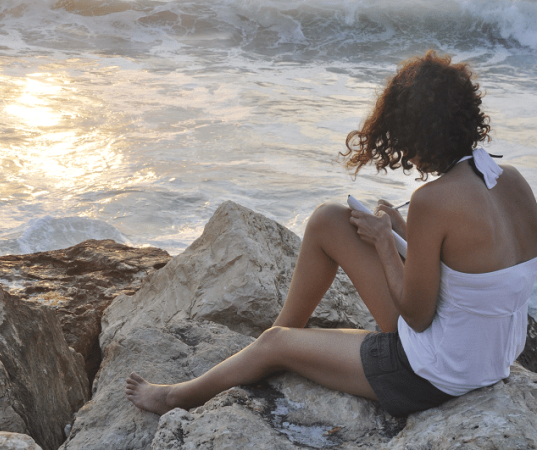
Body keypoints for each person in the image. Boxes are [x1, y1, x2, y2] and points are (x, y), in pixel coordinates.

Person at [125, 50, 537, 418]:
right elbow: (473, 272)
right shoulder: (514, 182)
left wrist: (383, 243)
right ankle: (283, 337)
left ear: (419, 132)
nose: (406, 153)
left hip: (432, 374)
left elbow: (417, 314)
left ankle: (179, 395)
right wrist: (399, 228)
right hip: (489, 357)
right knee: (328, 220)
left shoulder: (434, 199)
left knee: (273, 345)